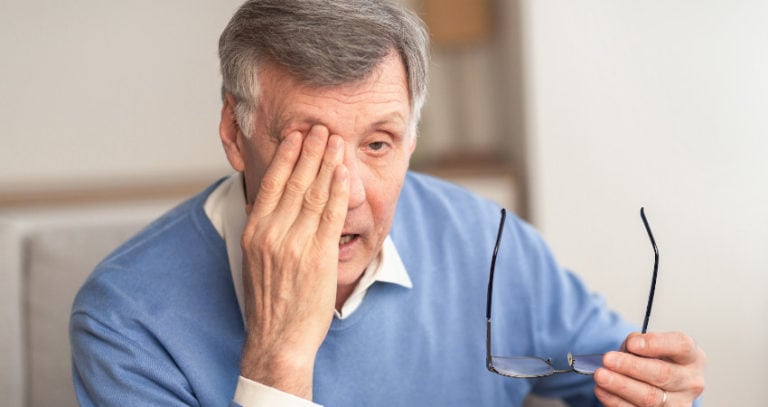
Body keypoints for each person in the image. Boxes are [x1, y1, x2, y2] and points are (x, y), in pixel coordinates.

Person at [70, 0, 706, 406]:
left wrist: (668, 392)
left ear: (412, 140)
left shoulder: (489, 242)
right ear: (235, 136)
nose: (345, 191)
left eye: (378, 143)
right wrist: (280, 357)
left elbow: (629, 382)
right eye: (305, 147)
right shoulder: (125, 317)